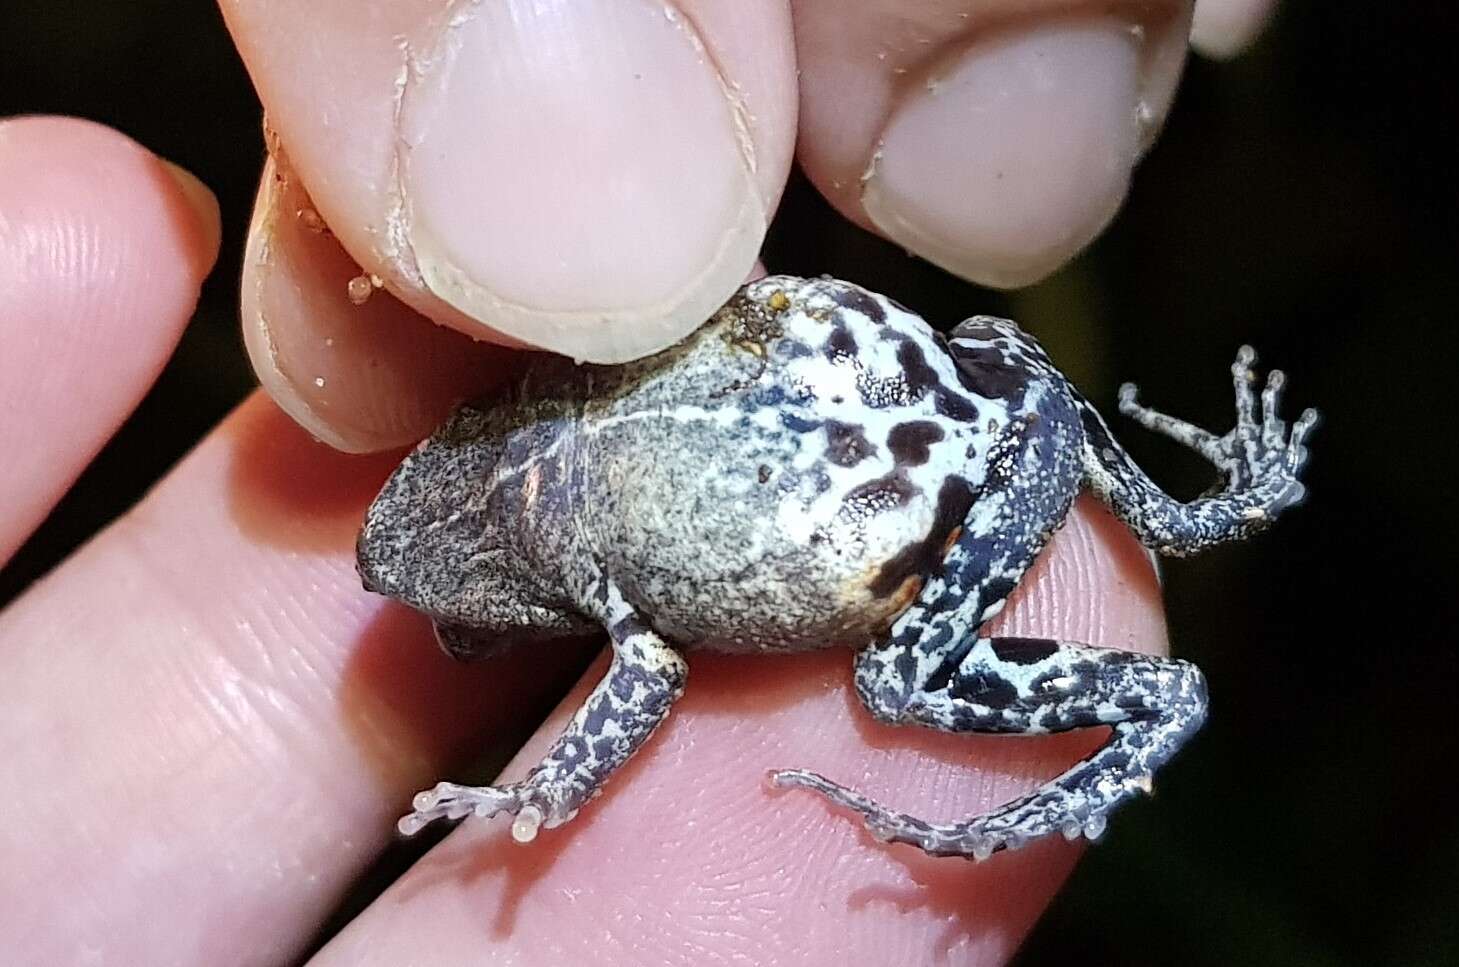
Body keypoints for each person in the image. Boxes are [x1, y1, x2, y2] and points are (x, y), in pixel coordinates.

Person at [0, 2, 1276, 963]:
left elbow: (650, 670)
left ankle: (1154, 681)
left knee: (897, 675)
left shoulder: (610, 579)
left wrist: (541, 787)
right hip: (989, 385)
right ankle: (1183, 521)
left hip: (939, 493)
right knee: (1000, 379)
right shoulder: (569, 376)